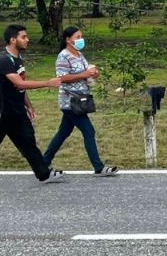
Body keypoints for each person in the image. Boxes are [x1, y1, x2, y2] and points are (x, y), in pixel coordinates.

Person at [0, 24, 65, 188]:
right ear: (12, 39)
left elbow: (20, 86)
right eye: (23, 37)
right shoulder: (4, 60)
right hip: (2, 111)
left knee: (27, 141)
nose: (27, 40)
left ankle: (43, 173)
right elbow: (19, 82)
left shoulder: (17, 59)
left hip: (16, 110)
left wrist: (28, 106)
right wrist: (48, 83)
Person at [42, 26, 118, 176]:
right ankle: (98, 167)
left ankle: (43, 162)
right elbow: (62, 78)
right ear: (68, 40)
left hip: (81, 99)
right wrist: (84, 74)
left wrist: (93, 73)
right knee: (89, 131)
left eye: (80, 37)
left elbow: (86, 73)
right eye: (77, 37)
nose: (80, 40)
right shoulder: (63, 56)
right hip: (70, 101)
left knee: (63, 133)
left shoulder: (79, 54)